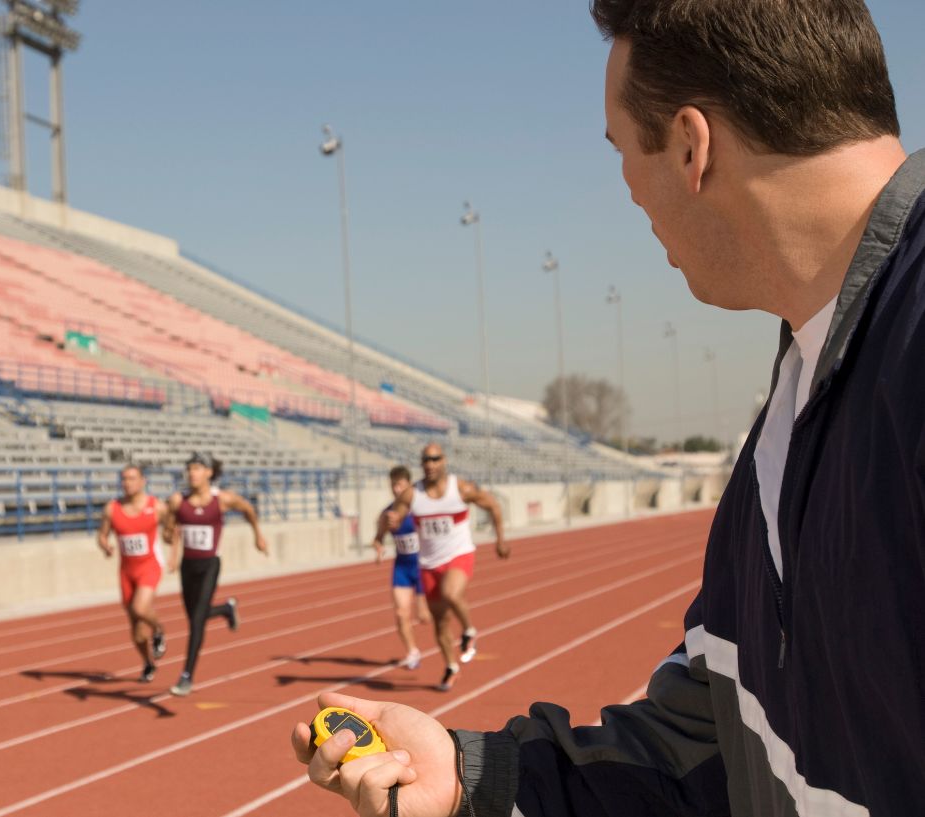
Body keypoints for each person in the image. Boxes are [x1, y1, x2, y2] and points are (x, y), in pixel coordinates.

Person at [292, 0, 925, 813]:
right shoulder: (792, 411)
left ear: (692, 146)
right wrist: (466, 775)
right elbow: (708, 748)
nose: (628, 190)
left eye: (622, 150)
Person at [386, 443, 507, 692]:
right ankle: (451, 666)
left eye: (435, 459)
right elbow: (392, 516)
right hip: (428, 564)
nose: (430, 464)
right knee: (440, 623)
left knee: (452, 593)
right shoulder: (413, 494)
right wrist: (382, 534)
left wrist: (500, 540)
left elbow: (493, 505)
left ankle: (470, 630)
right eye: (425, 460)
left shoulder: (460, 488)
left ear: (444, 461)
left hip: (458, 554)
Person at [166, 453, 269, 696]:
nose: (192, 473)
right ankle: (226, 608)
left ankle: (186, 676)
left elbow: (248, 508)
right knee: (194, 617)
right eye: (189, 468)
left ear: (209, 473)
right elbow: (172, 528)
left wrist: (258, 534)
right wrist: (171, 547)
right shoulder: (177, 500)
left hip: (210, 565)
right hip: (187, 566)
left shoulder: (222, 499)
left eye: (197, 468)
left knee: (197, 622)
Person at [96, 464, 173, 683]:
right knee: (137, 628)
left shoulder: (156, 506)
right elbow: (102, 535)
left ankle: (159, 629)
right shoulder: (112, 508)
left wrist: (173, 547)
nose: (126, 483)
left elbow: (172, 529)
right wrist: (105, 546)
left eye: (131, 478)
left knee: (141, 607)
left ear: (142, 481)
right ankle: (148, 662)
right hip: (126, 571)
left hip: (149, 566)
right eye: (123, 479)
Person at [371, 465, 431, 671]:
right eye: (393, 485)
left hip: (424, 567)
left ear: (408, 485)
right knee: (400, 613)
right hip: (402, 567)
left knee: (427, 617)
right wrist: (378, 547)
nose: (396, 490)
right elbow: (378, 538)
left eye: (400, 485)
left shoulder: (420, 510)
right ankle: (412, 651)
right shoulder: (388, 514)